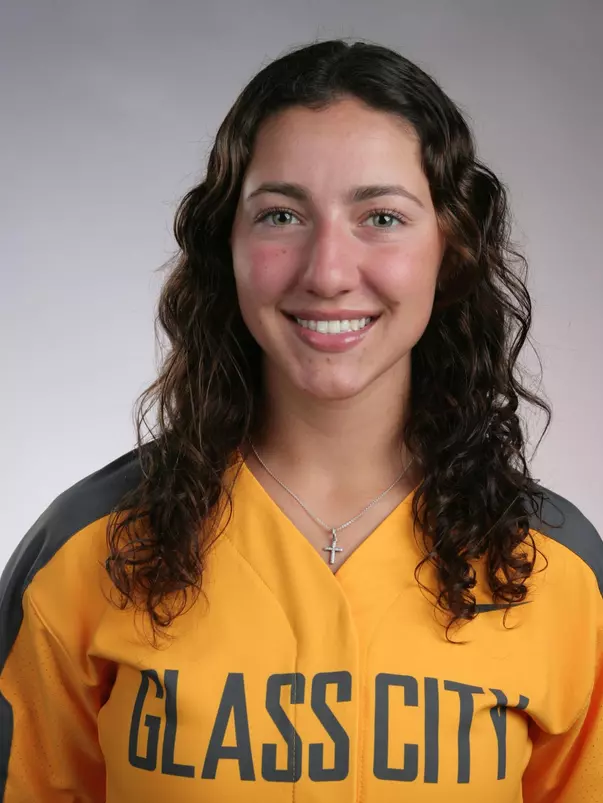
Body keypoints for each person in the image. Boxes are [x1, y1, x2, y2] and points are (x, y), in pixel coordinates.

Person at [0, 37, 601, 803]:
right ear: (229, 244)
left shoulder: (560, 573)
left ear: (448, 248)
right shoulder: (86, 554)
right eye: (281, 214)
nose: (326, 272)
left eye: (380, 216)